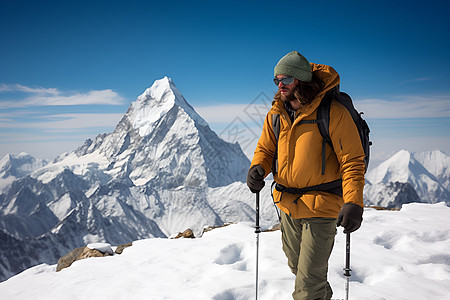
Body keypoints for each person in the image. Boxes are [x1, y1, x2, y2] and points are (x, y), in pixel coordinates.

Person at [247, 51, 365, 300]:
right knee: (299, 268)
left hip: (323, 206)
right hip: (288, 205)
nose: (280, 85)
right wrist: (258, 168)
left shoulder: (332, 112)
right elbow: (266, 150)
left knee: (307, 286)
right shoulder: (277, 114)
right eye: (277, 80)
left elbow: (352, 161)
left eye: (286, 79)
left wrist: (353, 201)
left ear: (300, 80)